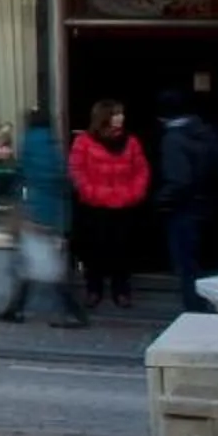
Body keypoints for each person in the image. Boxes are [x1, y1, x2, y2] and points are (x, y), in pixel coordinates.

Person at [0, 108, 86, 327]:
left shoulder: (30, 143)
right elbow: (63, 179)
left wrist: (10, 198)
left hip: (35, 212)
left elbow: (21, 174)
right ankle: (15, 309)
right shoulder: (52, 146)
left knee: (45, 267)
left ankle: (74, 313)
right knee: (32, 263)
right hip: (52, 213)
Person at [154, 91, 218, 314]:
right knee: (210, 263)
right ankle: (211, 306)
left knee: (187, 266)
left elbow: (179, 180)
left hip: (184, 209)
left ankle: (194, 310)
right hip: (212, 206)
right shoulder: (208, 133)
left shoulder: (172, 139)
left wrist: (160, 201)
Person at [68, 98, 150, 309]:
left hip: (124, 206)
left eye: (121, 113)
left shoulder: (131, 142)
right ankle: (93, 289)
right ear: (104, 117)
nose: (121, 117)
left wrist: (134, 193)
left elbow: (141, 170)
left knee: (122, 250)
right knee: (93, 250)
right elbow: (77, 171)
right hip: (94, 207)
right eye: (116, 114)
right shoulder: (84, 141)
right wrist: (92, 192)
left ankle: (121, 290)